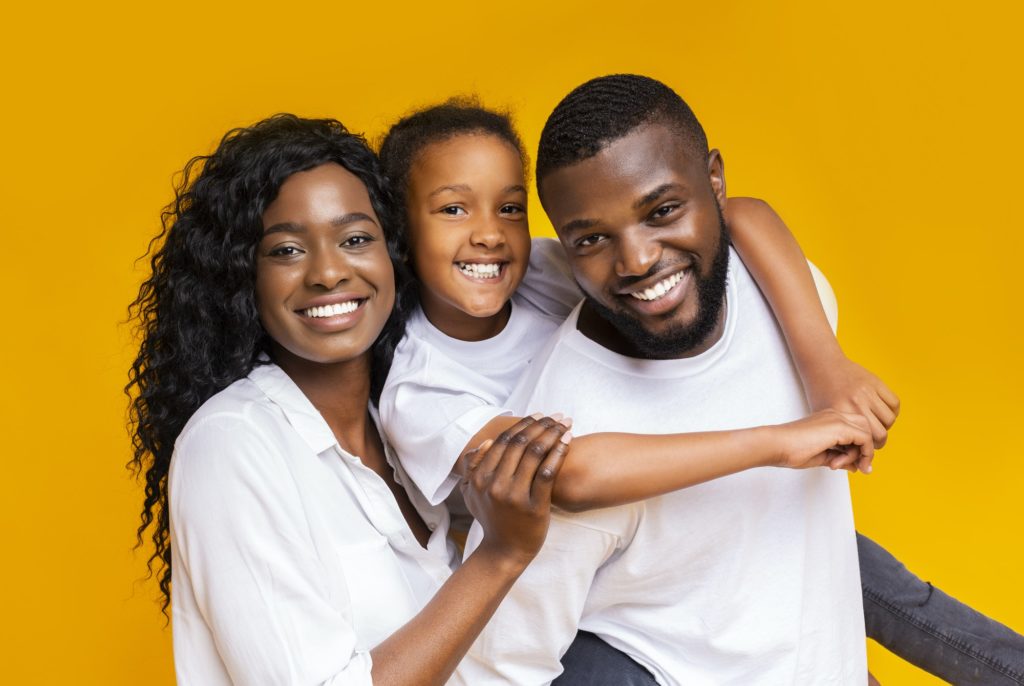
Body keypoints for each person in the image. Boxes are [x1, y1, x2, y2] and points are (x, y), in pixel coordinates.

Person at [442, 76, 1024, 684]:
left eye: (662, 211)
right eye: (592, 239)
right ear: (561, 244)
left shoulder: (792, 302)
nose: (638, 261)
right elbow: (496, 667)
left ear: (714, 180)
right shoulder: (566, 434)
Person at [126, 113, 588, 685]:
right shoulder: (233, 444)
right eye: (287, 250)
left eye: (355, 239)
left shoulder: (405, 427)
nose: (327, 272)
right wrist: (500, 556)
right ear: (241, 275)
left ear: (395, 251)